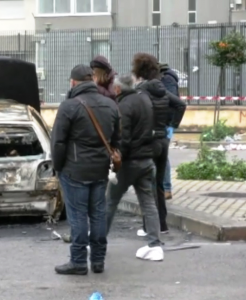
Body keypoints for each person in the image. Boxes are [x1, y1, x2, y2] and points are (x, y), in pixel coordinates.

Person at [51, 65, 121, 275]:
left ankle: (79, 261)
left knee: (78, 216)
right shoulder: (110, 105)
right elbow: (117, 140)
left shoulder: (69, 106)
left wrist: (58, 167)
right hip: (100, 169)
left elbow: (58, 142)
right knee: (98, 214)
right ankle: (98, 261)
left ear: (73, 82)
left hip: (74, 170)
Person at [105, 74, 164, 261]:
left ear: (118, 89)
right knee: (148, 203)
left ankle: (98, 240)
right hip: (147, 160)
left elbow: (124, 138)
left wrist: (117, 161)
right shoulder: (144, 99)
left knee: (110, 201)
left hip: (129, 163)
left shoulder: (123, 105)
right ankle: (155, 245)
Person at [131, 53, 186, 237]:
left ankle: (149, 227)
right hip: (163, 140)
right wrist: (171, 127)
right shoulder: (162, 89)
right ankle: (162, 224)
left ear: (139, 71)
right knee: (159, 184)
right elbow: (180, 105)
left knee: (147, 185)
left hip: (149, 141)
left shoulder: (141, 91)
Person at [159, 63, 180, 200]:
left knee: (163, 154)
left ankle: (166, 188)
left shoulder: (167, 79)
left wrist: (172, 124)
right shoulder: (168, 78)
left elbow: (174, 102)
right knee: (162, 154)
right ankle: (164, 188)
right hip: (167, 124)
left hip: (167, 125)